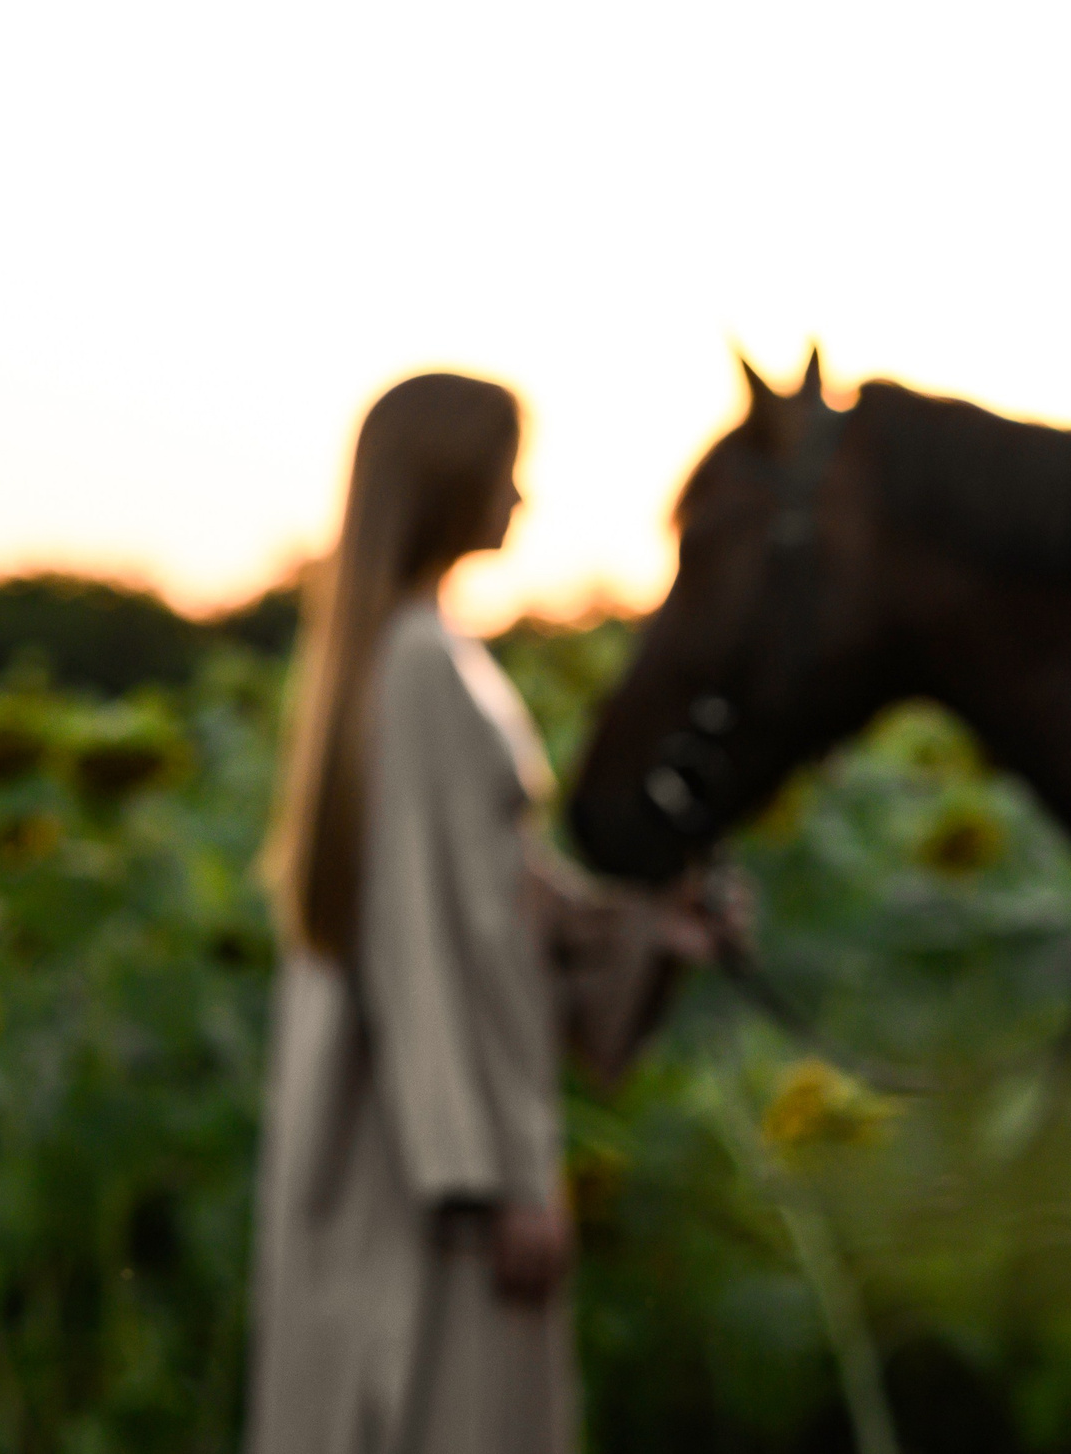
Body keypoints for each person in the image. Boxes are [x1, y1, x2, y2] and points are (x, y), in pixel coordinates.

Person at [247, 372, 731, 1454]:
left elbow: (496, 907)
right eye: (507, 463)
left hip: (413, 1145)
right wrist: (492, 1177)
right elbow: (427, 946)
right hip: (427, 1182)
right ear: (451, 481)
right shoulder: (421, 666)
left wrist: (655, 929)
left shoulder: (419, 655)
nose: (522, 491)